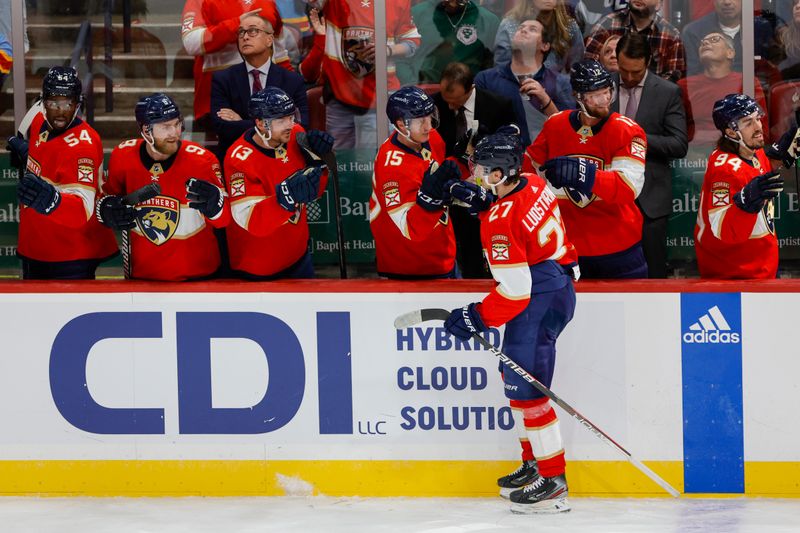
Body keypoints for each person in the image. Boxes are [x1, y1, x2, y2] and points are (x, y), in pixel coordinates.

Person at [443, 130, 578, 514]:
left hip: (536, 299)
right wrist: (488, 204)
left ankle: (552, 480)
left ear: (500, 173)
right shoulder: (533, 182)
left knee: (530, 393)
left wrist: (476, 316)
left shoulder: (499, 222)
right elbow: (523, 219)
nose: (474, 175)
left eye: (482, 169)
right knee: (517, 385)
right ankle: (534, 464)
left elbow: (516, 290)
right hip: (557, 287)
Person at [523, 59, 648, 278]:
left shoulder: (627, 131)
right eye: (595, 95)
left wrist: (583, 173)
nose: (604, 100)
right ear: (578, 97)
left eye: (607, 92)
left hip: (619, 249)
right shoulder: (556, 125)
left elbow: (628, 188)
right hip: (568, 247)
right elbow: (528, 172)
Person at [99, 93, 231, 281]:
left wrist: (216, 207)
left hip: (198, 278)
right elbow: (107, 199)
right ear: (146, 130)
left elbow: (224, 220)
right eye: (166, 127)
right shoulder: (123, 156)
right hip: (143, 278)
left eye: (177, 124)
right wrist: (107, 210)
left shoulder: (202, 160)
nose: (175, 133)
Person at [5, 66, 117, 279]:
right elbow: (50, 158)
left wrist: (51, 200)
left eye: (68, 103)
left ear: (78, 104)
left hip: (70, 255)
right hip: (38, 247)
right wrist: (28, 154)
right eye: (53, 102)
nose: (60, 110)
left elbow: (83, 207)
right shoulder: (39, 121)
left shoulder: (84, 144)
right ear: (43, 102)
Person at [225, 87, 333, 279]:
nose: (290, 125)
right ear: (260, 123)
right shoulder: (239, 159)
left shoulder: (296, 135)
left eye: (291, 117)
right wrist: (286, 198)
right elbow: (250, 220)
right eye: (281, 120)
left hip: (298, 257)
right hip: (259, 266)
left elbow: (314, 192)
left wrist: (319, 162)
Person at [370, 86, 477, 279]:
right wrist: (431, 198)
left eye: (430, 116)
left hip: (442, 256)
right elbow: (408, 228)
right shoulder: (392, 166)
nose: (429, 126)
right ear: (401, 125)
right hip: (409, 266)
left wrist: (461, 161)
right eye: (421, 120)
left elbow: (439, 176)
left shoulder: (430, 138)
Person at [694, 94, 797, 279]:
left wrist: (781, 155)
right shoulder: (725, 170)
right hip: (735, 274)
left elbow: (761, 167)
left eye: (757, 118)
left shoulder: (751, 151)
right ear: (731, 132)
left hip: (761, 266)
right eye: (748, 123)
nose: (758, 127)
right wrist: (745, 205)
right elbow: (722, 230)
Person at [613, 32, 687, 278]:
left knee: (653, 274)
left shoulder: (667, 92)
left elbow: (678, 144)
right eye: (624, 71)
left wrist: (636, 137)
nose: (630, 78)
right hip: (607, 199)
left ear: (648, 62)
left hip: (650, 200)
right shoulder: (603, 88)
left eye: (636, 71)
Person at [300, 0, 421, 149]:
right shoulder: (334, 2)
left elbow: (412, 42)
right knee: (340, 162)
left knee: (373, 161)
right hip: (339, 98)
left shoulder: (398, 2)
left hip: (379, 98)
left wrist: (388, 50)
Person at [434, 62, 516, 278]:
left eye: (456, 101)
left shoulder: (498, 105)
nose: (450, 106)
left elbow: (513, 149)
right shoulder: (434, 106)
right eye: (446, 99)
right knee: (463, 254)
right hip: (450, 193)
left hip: (487, 194)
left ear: (470, 89)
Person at [211, 12, 309, 160]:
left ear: (269, 39)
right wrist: (275, 125)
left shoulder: (292, 81)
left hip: (281, 157)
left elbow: (300, 126)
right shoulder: (223, 79)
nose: (245, 37)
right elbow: (222, 127)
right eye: (241, 32)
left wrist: (240, 122)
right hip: (235, 157)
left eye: (252, 31)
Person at [180, 0, 289, 129]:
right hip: (220, 98)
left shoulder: (267, 2)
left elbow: (279, 51)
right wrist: (235, 25)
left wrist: (290, 89)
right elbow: (191, 42)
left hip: (268, 97)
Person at [476, 17, 575, 146]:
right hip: (496, 158)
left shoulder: (561, 83)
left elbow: (568, 133)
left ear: (545, 45)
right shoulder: (485, 79)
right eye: (520, 28)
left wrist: (546, 100)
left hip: (542, 160)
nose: (523, 31)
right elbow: (475, 128)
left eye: (532, 29)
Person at [678, 32, 768, 144]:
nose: (705, 43)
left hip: (736, 150)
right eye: (702, 43)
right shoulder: (684, 85)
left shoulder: (747, 82)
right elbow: (677, 130)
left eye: (715, 39)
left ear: (730, 53)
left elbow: (761, 126)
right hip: (692, 155)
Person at [395, 0, 499, 85]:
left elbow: (490, 64)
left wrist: (477, 90)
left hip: (468, 94)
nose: (452, 3)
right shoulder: (416, 14)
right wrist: (412, 85)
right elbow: (401, 58)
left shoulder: (488, 20)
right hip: (424, 91)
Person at [584, 0, 685, 82]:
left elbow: (673, 77)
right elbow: (588, 66)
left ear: (659, 4)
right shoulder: (606, 25)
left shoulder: (671, 36)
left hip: (652, 97)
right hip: (609, 95)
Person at [682, 0, 783, 77]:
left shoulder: (761, 28)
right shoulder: (694, 32)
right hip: (711, 95)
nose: (727, 2)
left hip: (753, 93)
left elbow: (774, 70)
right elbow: (693, 78)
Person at [493, 0, 584, 74]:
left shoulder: (569, 26)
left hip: (554, 90)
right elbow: (500, 67)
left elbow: (576, 67)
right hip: (513, 86)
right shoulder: (510, 24)